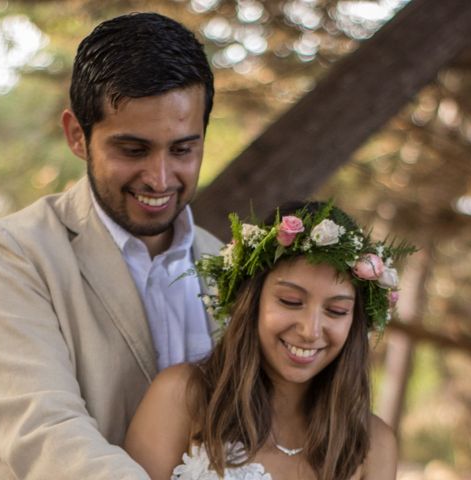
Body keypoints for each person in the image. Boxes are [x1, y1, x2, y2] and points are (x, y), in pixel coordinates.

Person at [0, 12, 221, 479]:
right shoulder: (9, 254)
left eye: (182, 150)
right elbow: (46, 430)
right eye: (132, 150)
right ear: (77, 135)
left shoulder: (229, 265)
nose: (159, 178)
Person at [125, 200, 415, 479]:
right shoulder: (181, 396)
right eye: (290, 301)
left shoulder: (375, 444)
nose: (310, 330)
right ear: (251, 302)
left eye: (336, 310)